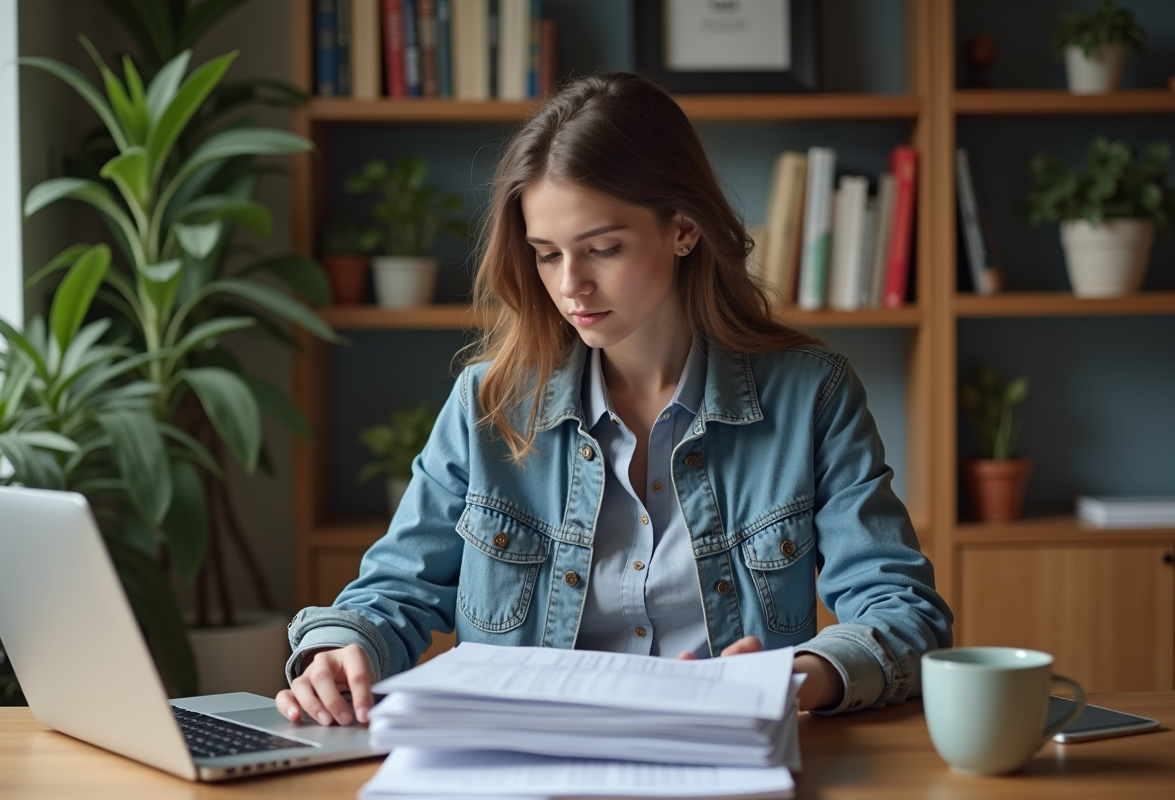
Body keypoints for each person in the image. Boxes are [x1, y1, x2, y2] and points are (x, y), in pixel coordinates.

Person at [276, 72, 953, 728]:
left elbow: (902, 610)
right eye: (546, 254)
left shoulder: (812, 394)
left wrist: (796, 677)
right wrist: (344, 650)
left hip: (721, 761)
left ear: (684, 228)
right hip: (524, 768)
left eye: (602, 248)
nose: (572, 285)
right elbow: (394, 591)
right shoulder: (488, 402)